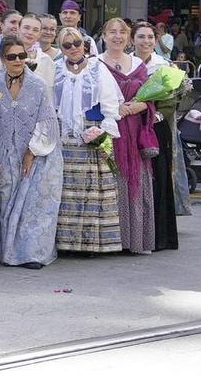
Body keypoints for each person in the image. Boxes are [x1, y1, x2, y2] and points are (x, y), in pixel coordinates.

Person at [0, 34, 63, 268]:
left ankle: (32, 254)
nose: (18, 60)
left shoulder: (38, 85)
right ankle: (7, 251)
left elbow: (48, 121)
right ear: (3, 58)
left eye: (22, 55)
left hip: (38, 154)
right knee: (6, 200)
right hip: (6, 154)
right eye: (12, 56)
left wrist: (31, 152)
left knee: (33, 206)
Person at [52, 27, 122, 254]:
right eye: (66, 45)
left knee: (91, 189)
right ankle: (65, 243)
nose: (73, 48)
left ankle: (91, 243)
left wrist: (104, 134)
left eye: (76, 43)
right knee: (65, 189)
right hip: (63, 137)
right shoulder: (55, 69)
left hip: (91, 131)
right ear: (61, 48)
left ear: (85, 45)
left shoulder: (97, 69)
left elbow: (111, 104)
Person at [97, 17, 159, 254]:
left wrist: (139, 107)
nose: (117, 36)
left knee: (135, 183)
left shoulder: (139, 65)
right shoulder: (95, 64)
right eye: (112, 32)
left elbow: (151, 99)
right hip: (107, 131)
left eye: (122, 32)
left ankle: (134, 239)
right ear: (103, 36)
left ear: (128, 37)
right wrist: (113, 109)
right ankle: (110, 241)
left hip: (133, 133)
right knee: (109, 184)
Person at [133, 19, 184, 246]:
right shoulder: (126, 63)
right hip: (132, 124)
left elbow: (171, 99)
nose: (146, 41)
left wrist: (156, 115)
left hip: (157, 127)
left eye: (150, 37)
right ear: (132, 39)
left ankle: (159, 234)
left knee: (159, 177)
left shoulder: (164, 66)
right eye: (141, 36)